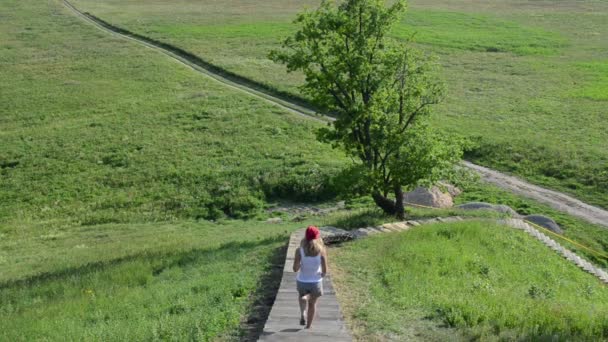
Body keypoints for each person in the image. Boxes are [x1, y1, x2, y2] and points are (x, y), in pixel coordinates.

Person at [293, 225, 327, 329]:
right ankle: (308, 326)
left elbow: (295, 269)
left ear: (306, 236)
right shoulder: (321, 251)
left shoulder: (299, 250)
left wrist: (301, 263)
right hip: (315, 282)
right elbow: (325, 270)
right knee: (312, 304)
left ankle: (303, 311)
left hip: (302, 281)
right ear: (317, 237)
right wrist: (322, 274)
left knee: (301, 296)